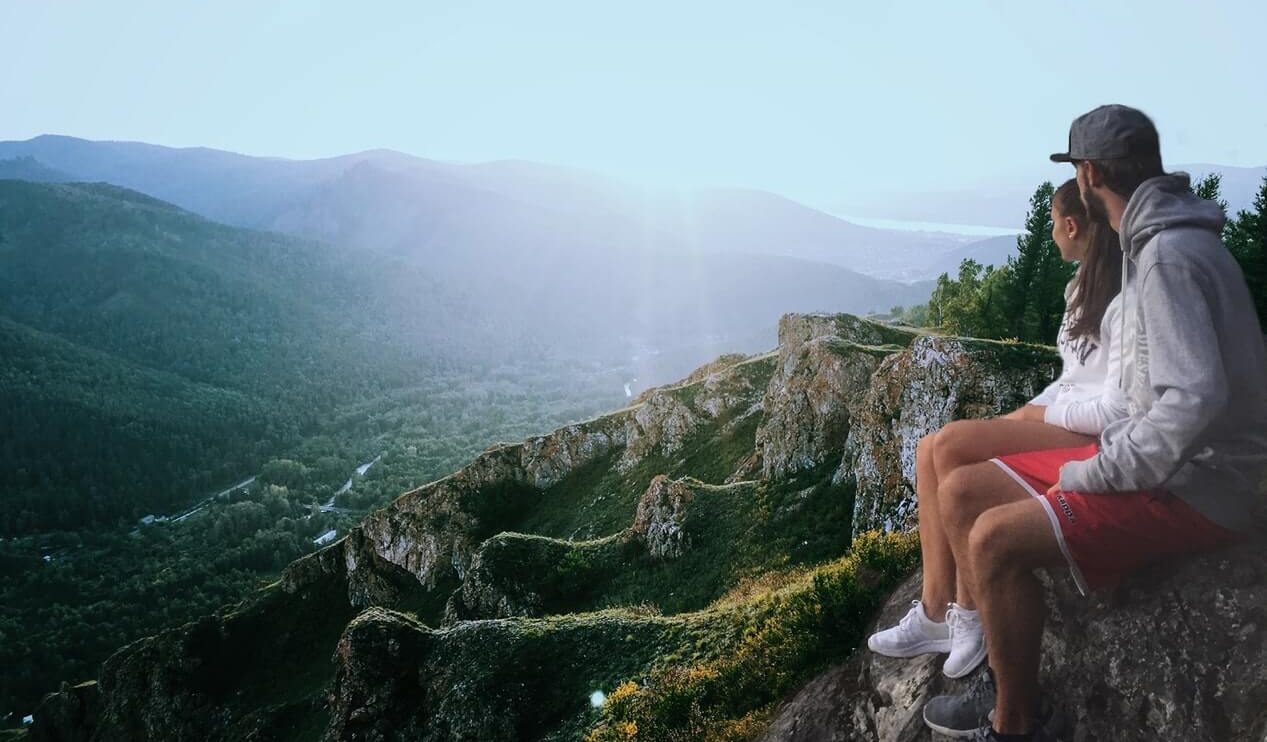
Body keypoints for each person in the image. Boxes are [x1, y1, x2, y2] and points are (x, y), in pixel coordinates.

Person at [921, 104, 1267, 741]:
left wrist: (1096, 472)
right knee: (963, 491)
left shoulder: (1164, 258)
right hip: (1180, 462)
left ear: (1089, 174)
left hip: (1203, 483)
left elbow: (1191, 401)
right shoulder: (1163, 243)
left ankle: (1015, 724)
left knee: (994, 539)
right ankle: (998, 670)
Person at [867, 178, 1127, 681]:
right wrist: (1023, 415)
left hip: (1097, 437)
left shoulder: (1124, 298)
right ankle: (934, 609)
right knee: (929, 449)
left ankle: (969, 615)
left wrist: (1040, 418)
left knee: (952, 445)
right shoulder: (1083, 288)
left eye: (1053, 224)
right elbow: (1072, 381)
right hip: (1067, 421)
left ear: (1072, 225)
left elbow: (1116, 409)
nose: (1051, 234)